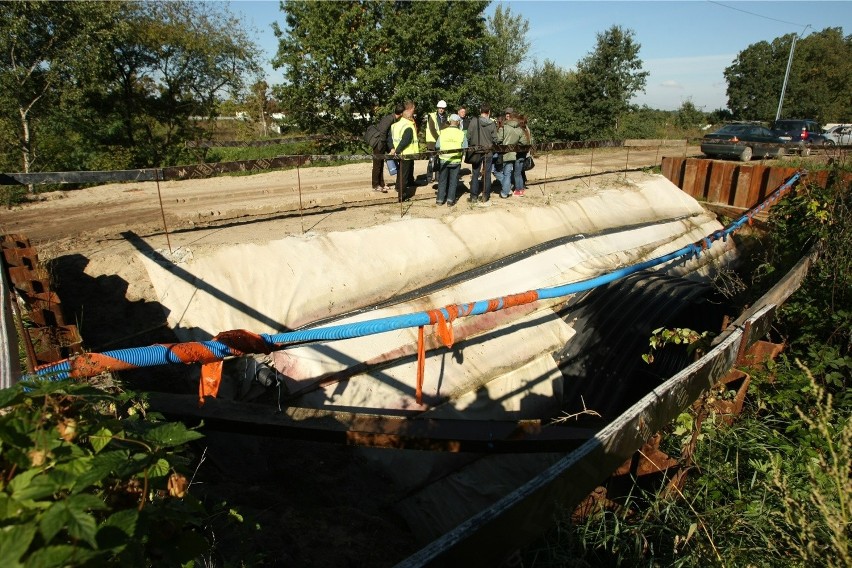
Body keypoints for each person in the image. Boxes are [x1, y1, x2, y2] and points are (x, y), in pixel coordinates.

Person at [466, 104, 500, 204]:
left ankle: (473, 197)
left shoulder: (474, 121)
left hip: (476, 151)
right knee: (487, 174)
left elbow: (468, 135)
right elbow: (495, 139)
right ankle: (485, 196)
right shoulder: (492, 123)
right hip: (488, 151)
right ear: (489, 112)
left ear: (480, 111)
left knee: (475, 174)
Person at [434, 113, 467, 206]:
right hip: (456, 161)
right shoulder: (461, 133)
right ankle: (450, 200)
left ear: (450, 121)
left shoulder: (443, 132)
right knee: (453, 181)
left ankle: (440, 200)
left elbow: (437, 146)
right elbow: (465, 147)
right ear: (457, 122)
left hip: (444, 160)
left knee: (442, 180)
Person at [389, 100, 419, 201]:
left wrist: (393, 149)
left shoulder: (395, 125)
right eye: (413, 109)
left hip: (398, 153)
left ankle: (398, 188)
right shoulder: (408, 125)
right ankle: (402, 196)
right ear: (410, 110)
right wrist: (398, 150)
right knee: (404, 176)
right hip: (406, 153)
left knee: (400, 172)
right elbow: (406, 140)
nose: (414, 111)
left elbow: (390, 138)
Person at [370, 104, 403, 192]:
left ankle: (381, 184)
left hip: (381, 144)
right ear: (401, 114)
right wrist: (386, 147)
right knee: (377, 165)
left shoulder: (391, 119)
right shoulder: (389, 119)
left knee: (381, 164)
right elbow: (383, 133)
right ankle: (375, 185)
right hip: (379, 144)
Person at [497, 111, 525, 198]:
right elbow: (524, 142)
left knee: (503, 173)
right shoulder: (519, 129)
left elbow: (498, 140)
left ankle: (505, 192)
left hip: (504, 153)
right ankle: (507, 192)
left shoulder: (504, 128)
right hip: (513, 154)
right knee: (509, 173)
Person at [424, 100, 448, 183]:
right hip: (432, 141)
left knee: (439, 159)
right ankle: (429, 177)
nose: (441, 109)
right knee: (432, 160)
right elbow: (432, 129)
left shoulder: (447, 117)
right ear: (437, 108)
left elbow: (446, 127)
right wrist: (439, 139)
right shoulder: (432, 116)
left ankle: (438, 177)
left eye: (443, 108)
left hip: (442, 141)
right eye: (440, 108)